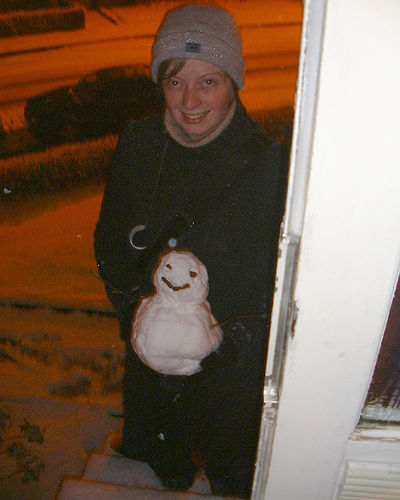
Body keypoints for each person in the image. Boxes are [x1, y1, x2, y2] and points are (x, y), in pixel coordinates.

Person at [94, 4, 289, 498]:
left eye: (209, 82)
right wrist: (139, 317)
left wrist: (227, 343)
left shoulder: (269, 165)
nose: (189, 101)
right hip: (154, 381)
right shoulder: (139, 145)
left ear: (233, 83)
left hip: (229, 382)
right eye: (175, 81)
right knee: (160, 474)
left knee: (232, 479)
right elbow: (110, 241)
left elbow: (279, 277)